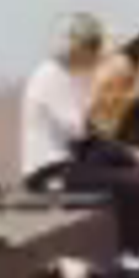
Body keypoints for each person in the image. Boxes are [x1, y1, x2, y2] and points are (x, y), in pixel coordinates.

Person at [20, 14, 104, 186]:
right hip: (48, 171)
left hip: (64, 164)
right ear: (75, 46)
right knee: (130, 182)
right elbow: (78, 129)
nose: (96, 53)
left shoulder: (66, 75)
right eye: (92, 46)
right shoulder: (52, 76)